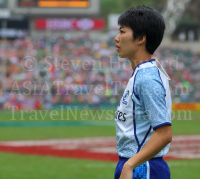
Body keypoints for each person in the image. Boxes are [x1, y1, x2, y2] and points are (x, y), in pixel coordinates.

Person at [114, 5, 172, 179]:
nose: (116, 38)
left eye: (122, 32)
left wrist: (130, 165)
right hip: (137, 164)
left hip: (142, 167)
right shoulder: (143, 73)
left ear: (140, 39)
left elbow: (164, 133)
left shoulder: (146, 78)